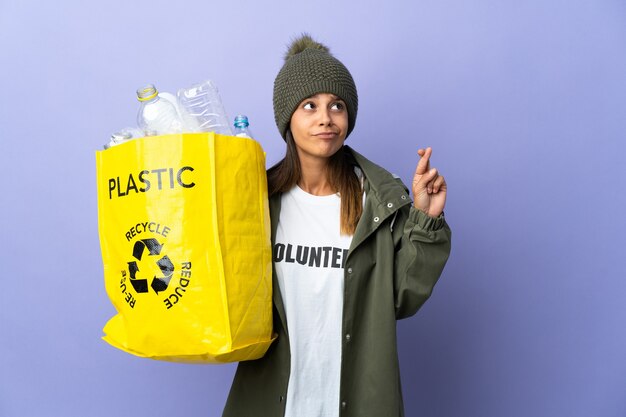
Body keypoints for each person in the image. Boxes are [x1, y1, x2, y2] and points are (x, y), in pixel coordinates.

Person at [223, 34, 451, 417]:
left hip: (355, 401)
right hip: (273, 401)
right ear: (287, 118)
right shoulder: (256, 201)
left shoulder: (376, 201)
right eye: (309, 105)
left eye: (337, 106)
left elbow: (401, 300)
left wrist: (424, 220)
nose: (325, 118)